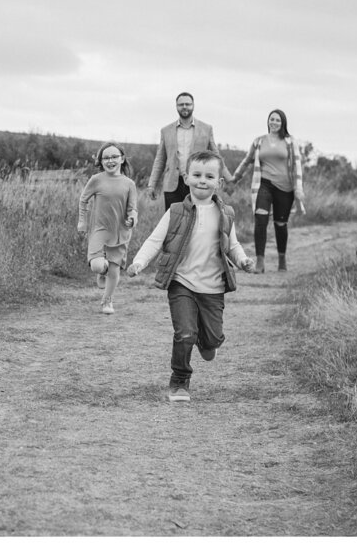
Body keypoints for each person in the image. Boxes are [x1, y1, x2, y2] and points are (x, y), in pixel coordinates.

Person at [127, 150, 254, 402]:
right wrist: (139, 263)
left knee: (212, 341)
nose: (202, 180)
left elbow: (233, 245)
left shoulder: (225, 213)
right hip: (181, 282)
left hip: (213, 287)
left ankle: (207, 343)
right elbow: (155, 240)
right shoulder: (175, 211)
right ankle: (180, 382)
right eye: (196, 175)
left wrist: (242, 260)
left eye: (209, 176)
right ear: (186, 178)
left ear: (219, 182)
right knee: (185, 333)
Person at [232, 109, 305, 274]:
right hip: (263, 185)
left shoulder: (290, 142)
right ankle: (260, 262)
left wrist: (298, 188)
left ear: (283, 123)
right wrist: (234, 179)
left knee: (280, 224)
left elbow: (297, 166)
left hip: (285, 188)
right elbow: (246, 161)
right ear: (268, 121)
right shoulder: (259, 141)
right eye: (272, 119)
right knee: (260, 220)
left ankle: (281, 258)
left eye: (278, 120)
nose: (274, 122)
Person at [78, 142, 139, 315]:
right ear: (100, 161)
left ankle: (107, 301)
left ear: (122, 159)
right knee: (97, 266)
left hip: (120, 231)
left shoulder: (129, 184)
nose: (110, 160)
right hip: (99, 228)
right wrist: (82, 221)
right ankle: (102, 271)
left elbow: (133, 208)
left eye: (114, 157)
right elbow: (83, 200)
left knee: (114, 268)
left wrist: (132, 219)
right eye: (106, 157)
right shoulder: (96, 180)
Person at [147, 92, 233, 211]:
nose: (184, 107)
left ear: (193, 105)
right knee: (174, 221)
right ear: (176, 106)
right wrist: (152, 184)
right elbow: (160, 160)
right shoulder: (166, 130)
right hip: (172, 184)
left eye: (188, 104)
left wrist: (229, 180)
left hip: (197, 182)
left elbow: (216, 156)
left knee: (196, 219)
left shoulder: (206, 129)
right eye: (181, 104)